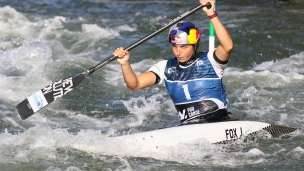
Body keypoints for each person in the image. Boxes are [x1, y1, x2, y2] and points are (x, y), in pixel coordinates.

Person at [112, 0, 233, 125]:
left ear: (194, 45)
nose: (178, 52)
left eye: (184, 47)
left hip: (219, 123)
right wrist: (125, 64)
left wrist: (211, 14)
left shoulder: (211, 60)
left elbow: (227, 46)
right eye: (175, 47)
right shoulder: (165, 67)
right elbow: (134, 85)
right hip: (188, 129)